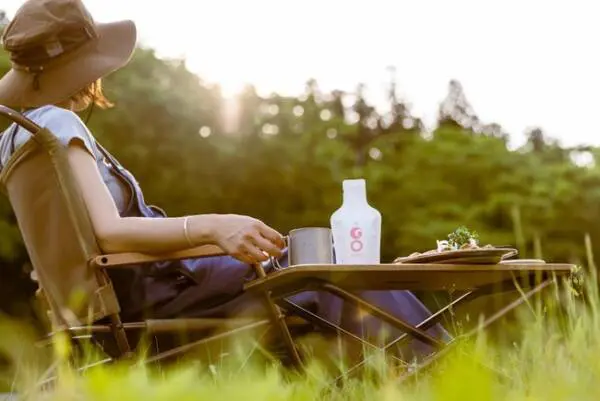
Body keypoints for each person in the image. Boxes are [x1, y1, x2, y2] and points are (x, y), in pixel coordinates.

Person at [0, 0, 449, 361]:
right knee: (315, 272)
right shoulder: (58, 126)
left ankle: (394, 371)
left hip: (126, 300)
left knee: (303, 267)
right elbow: (110, 233)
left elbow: (70, 245)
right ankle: (440, 367)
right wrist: (214, 226)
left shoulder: (18, 139)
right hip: (157, 298)